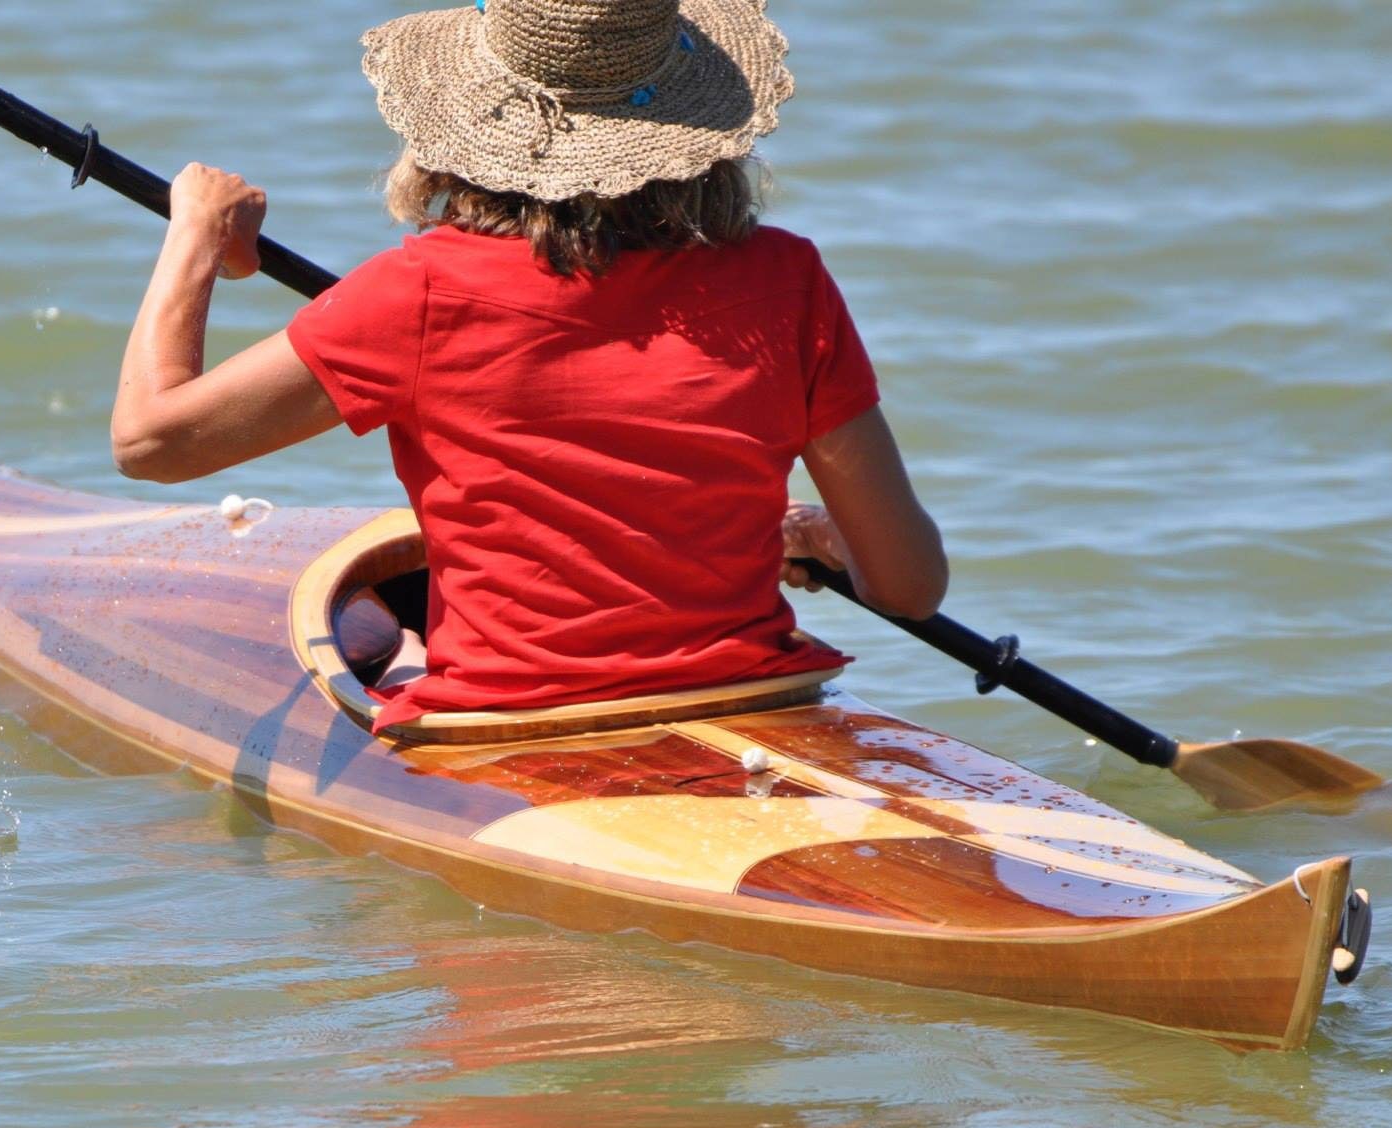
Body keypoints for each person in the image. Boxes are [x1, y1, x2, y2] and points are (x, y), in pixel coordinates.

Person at [112, 0, 947, 731]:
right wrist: (813, 533)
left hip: (513, 723)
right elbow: (910, 589)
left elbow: (151, 444)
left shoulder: (418, 293)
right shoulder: (786, 278)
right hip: (753, 700)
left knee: (385, 638)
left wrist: (194, 233)